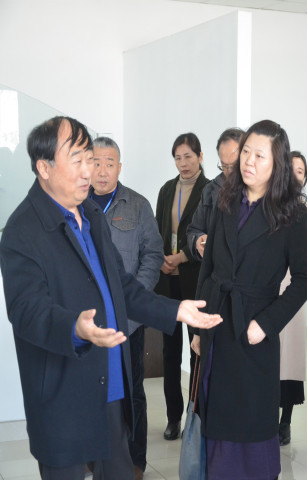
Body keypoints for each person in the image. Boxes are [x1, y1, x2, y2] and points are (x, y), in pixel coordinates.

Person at [0, 116, 220, 480]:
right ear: (44, 168)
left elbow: (123, 286)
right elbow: (27, 311)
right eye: (77, 160)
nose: (89, 171)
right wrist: (75, 328)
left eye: (90, 159)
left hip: (110, 386)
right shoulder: (22, 230)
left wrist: (175, 310)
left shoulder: (90, 215)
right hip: (63, 394)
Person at [191, 120, 307, 480]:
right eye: (246, 151)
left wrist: (267, 323)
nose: (248, 161)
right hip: (216, 322)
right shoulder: (225, 200)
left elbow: (305, 280)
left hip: (253, 326)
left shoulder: (291, 213)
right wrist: (197, 326)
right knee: (215, 412)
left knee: (249, 419)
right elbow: (209, 267)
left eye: (259, 155)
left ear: (277, 163)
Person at [90, 137, 164, 479]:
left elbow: (153, 255)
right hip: (88, 320)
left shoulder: (138, 205)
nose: (102, 171)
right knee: (91, 390)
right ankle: (93, 456)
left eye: (109, 163)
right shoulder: (75, 204)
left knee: (132, 392)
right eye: (96, 162)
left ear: (119, 167)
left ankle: (135, 460)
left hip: (127, 320)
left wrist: (135, 298)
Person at [154, 132, 209, 440]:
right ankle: (173, 417)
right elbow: (158, 228)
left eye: (188, 156)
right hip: (168, 281)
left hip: (194, 281)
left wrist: (181, 256)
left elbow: (209, 235)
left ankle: (194, 415)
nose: (183, 163)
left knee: (196, 349)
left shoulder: (209, 190)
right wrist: (161, 259)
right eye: (178, 157)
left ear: (200, 157)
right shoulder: (167, 189)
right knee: (170, 352)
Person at [278, 151, 307, 446]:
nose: (295, 175)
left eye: (300, 171)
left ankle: (285, 422)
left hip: (292, 289)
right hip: (265, 289)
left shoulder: (306, 211)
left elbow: (305, 253)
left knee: (288, 360)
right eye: (291, 169)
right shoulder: (267, 205)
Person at [186, 127, 244, 260]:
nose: (229, 172)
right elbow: (193, 230)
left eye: (234, 165)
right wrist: (198, 240)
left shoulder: (259, 191)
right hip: (217, 268)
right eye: (224, 166)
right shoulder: (210, 190)